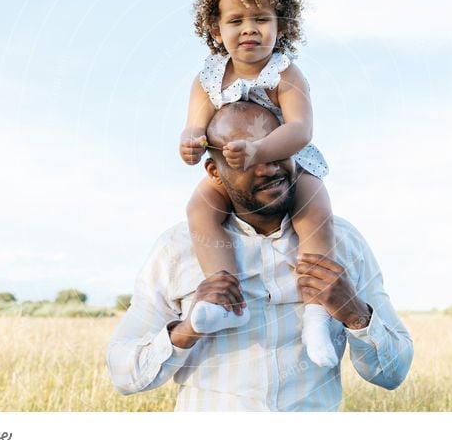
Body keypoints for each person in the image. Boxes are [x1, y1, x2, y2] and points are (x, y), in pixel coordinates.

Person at [107, 101, 413, 411]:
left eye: (274, 150)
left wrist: (355, 314)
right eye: (245, 158)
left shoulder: (345, 242)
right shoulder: (176, 249)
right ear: (214, 172)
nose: (268, 168)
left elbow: (394, 372)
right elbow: (123, 373)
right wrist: (186, 330)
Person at [179, 0, 339, 367]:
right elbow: (194, 125)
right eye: (235, 21)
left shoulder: (284, 73)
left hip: (287, 164)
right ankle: (223, 290)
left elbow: (301, 129)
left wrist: (261, 150)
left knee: (315, 208)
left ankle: (317, 313)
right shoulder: (208, 78)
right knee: (200, 207)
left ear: (281, 27)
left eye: (261, 19)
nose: (249, 29)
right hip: (234, 172)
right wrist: (192, 142)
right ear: (216, 30)